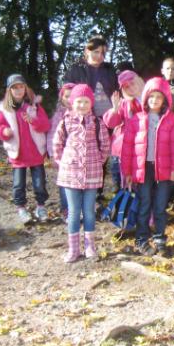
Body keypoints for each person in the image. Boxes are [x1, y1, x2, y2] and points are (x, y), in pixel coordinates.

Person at [121, 78, 174, 257]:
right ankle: (142, 239)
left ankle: (159, 239)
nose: (154, 100)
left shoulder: (172, 120)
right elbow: (127, 147)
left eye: (159, 97)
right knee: (144, 204)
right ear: (145, 98)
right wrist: (127, 172)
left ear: (165, 100)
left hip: (164, 169)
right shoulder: (136, 119)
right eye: (151, 96)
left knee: (160, 206)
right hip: (143, 170)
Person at [52, 84, 111, 262]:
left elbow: (105, 144)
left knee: (89, 211)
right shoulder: (65, 121)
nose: (82, 105)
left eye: (86, 101)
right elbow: (57, 144)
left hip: (92, 173)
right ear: (72, 102)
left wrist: (98, 161)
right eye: (79, 101)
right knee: (73, 212)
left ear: (91, 103)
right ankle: (73, 248)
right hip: (70, 174)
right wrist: (63, 162)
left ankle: (90, 246)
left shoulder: (97, 123)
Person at [0, 74, 51, 223]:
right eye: (15, 88)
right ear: (9, 91)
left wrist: (33, 121)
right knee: (18, 184)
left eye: (21, 87)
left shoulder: (34, 106)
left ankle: (40, 207)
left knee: (39, 183)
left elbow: (46, 125)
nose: (18, 90)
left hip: (36, 152)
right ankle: (21, 209)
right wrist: (4, 132)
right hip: (18, 154)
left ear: (26, 88)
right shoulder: (5, 110)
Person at [103, 71, 144, 191]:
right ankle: (121, 202)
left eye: (132, 83)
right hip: (122, 151)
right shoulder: (123, 104)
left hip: (141, 150)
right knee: (122, 185)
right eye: (126, 87)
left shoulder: (150, 100)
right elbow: (111, 123)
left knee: (140, 185)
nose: (130, 88)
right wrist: (115, 109)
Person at [63, 35, 119, 118]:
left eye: (103, 53)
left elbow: (117, 91)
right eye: (96, 52)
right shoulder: (75, 69)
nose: (100, 56)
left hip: (110, 117)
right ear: (87, 51)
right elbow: (66, 94)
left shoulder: (110, 70)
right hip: (85, 117)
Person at [46, 82, 76, 220]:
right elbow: (52, 135)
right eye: (66, 96)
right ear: (61, 98)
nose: (69, 99)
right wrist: (53, 154)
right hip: (63, 155)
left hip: (79, 155)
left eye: (72, 96)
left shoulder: (84, 112)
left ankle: (78, 208)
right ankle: (66, 209)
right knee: (65, 183)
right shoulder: (59, 115)